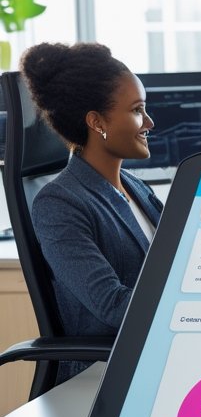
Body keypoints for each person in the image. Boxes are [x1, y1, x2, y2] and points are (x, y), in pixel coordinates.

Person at [21, 42, 163, 383]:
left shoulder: (137, 188)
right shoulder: (59, 204)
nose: (149, 122)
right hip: (106, 371)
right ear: (97, 122)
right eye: (136, 110)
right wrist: (191, 312)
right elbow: (111, 304)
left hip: (154, 352)